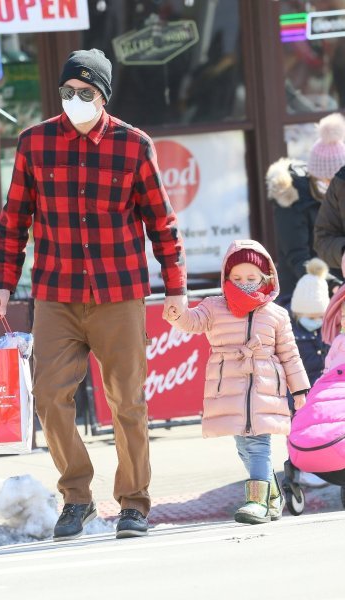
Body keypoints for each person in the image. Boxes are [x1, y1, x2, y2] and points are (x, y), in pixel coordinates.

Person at [0, 48, 188, 541]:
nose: (75, 100)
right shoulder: (34, 143)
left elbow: (161, 222)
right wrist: (2, 280)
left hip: (119, 293)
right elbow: (15, 218)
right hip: (56, 292)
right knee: (50, 397)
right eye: (68, 92)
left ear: (103, 97)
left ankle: (134, 504)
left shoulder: (133, 145)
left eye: (86, 93)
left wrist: (175, 287)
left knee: (127, 402)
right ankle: (76, 497)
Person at [165, 239, 310, 525]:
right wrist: (177, 313)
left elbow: (290, 355)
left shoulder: (276, 315)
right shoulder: (214, 307)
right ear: (226, 277)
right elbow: (191, 322)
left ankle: (256, 500)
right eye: (237, 277)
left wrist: (300, 390)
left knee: (258, 445)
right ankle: (273, 497)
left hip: (266, 386)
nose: (244, 283)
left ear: (266, 278)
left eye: (251, 278)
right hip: (228, 386)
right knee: (243, 447)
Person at [266, 112, 345, 301]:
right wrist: (330, 283)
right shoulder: (290, 196)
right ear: (314, 175)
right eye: (326, 181)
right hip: (299, 294)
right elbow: (297, 256)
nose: (330, 187)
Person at [287, 257, 330, 488]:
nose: (314, 321)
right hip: (301, 395)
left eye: (319, 317)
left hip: (324, 394)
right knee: (301, 433)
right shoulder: (292, 334)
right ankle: (303, 469)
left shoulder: (330, 332)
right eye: (309, 317)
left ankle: (323, 467)